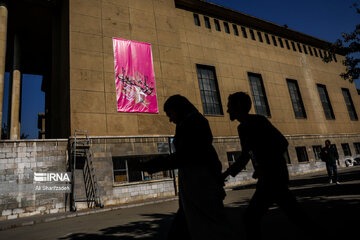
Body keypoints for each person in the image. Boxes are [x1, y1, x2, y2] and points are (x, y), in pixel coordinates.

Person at [140, 94, 233, 240]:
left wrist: (151, 165)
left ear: (178, 109)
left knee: (211, 228)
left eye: (170, 114)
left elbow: (185, 156)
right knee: (185, 228)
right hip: (194, 186)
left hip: (200, 185)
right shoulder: (188, 122)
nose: (170, 119)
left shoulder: (193, 123)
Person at [222, 92, 310, 240]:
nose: (227, 110)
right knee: (295, 215)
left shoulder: (259, 121)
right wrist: (225, 174)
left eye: (229, 106)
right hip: (267, 179)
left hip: (274, 177)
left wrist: (265, 166)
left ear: (238, 105)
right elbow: (245, 155)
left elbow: (282, 143)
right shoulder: (241, 129)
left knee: (251, 218)